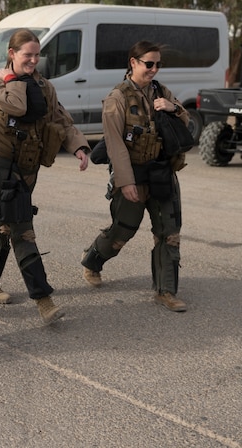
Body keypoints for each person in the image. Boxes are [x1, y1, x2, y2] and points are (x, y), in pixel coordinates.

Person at [0, 28, 90, 324]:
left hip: (29, 168)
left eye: (37, 55)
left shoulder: (44, 86)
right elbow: (17, 106)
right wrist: (13, 80)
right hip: (2, 169)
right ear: (12, 53)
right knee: (22, 228)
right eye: (28, 54)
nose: (34, 60)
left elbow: (60, 120)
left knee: (3, 223)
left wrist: (78, 147)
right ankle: (43, 299)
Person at [80, 40, 189, 312]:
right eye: (148, 64)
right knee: (122, 231)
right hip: (134, 174)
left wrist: (173, 108)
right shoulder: (117, 98)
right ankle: (93, 260)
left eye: (158, 64)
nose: (154, 69)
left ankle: (166, 291)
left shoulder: (162, 92)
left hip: (162, 173)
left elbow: (184, 124)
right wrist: (125, 181)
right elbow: (115, 144)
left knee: (169, 233)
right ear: (133, 63)